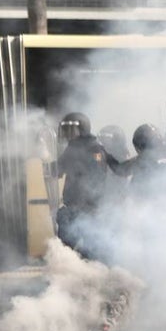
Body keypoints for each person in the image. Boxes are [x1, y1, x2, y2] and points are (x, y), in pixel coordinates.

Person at [54, 112, 115, 262]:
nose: (67, 135)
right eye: (66, 130)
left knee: (87, 250)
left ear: (81, 129)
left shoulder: (86, 149)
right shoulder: (81, 147)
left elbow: (96, 178)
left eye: (70, 130)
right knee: (77, 251)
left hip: (85, 209)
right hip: (83, 208)